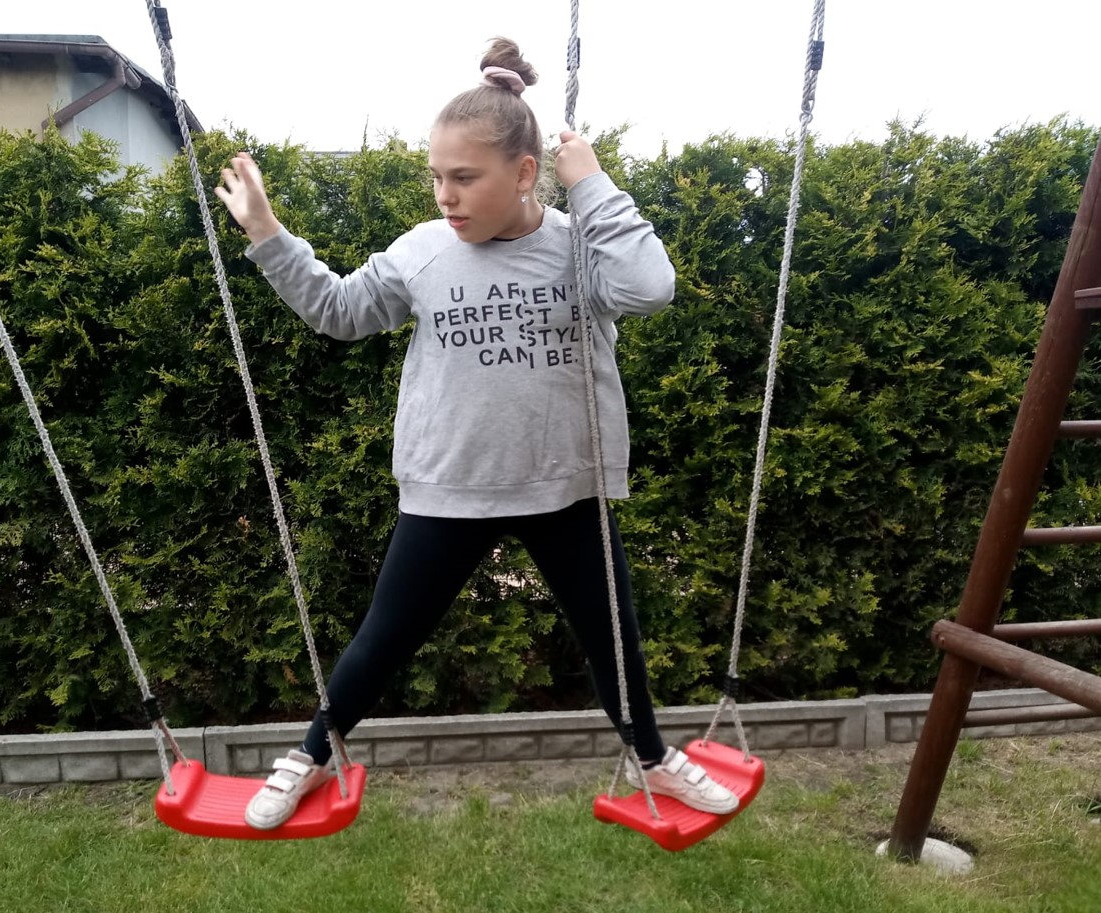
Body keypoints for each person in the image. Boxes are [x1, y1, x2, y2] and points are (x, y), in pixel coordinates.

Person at [214, 37, 738, 830]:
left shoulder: (581, 246)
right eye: (437, 177)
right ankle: (312, 755)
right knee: (384, 639)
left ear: (524, 173)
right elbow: (339, 311)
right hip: (451, 485)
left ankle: (654, 759)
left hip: (564, 485)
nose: (446, 197)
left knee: (614, 638)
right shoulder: (422, 251)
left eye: (464, 177)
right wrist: (266, 232)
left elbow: (650, 286)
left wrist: (592, 184)